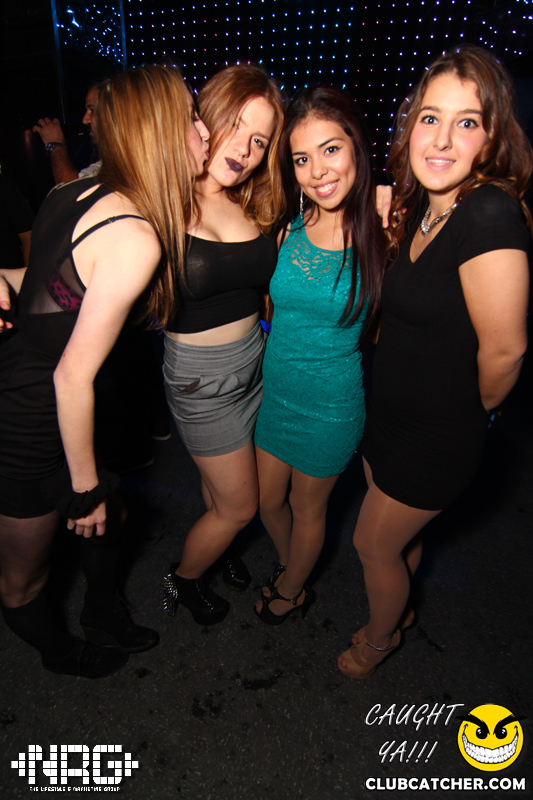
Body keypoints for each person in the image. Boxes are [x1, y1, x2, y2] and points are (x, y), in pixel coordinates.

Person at [0, 65, 210, 677]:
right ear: (159, 131)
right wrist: (84, 490)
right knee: (22, 581)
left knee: (110, 519)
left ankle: (101, 609)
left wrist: (3, 279)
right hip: (31, 422)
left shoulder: (71, 194)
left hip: (45, 398)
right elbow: (71, 377)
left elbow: (49, 286)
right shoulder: (134, 235)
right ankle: (64, 655)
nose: (204, 130)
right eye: (191, 118)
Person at [338, 45, 531, 678]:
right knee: (398, 539)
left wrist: (470, 414)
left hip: (438, 435)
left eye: (467, 122)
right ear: (410, 125)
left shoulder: (489, 212)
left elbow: (506, 350)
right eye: (430, 118)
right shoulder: (426, 205)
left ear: (491, 137)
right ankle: (399, 613)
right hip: (389, 416)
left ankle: (379, 640)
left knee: (371, 543)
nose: (443, 139)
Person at [252, 86, 386, 623]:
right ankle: (293, 565)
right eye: (301, 158)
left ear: (356, 147)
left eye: (331, 149)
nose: (317, 170)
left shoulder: (386, 234)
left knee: (307, 509)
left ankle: (291, 591)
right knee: (266, 502)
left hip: (331, 407)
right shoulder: (286, 229)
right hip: (277, 395)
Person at [162, 64, 285, 624]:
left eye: (259, 140)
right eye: (236, 126)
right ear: (204, 118)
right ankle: (184, 578)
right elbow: (88, 259)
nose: (244, 149)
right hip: (201, 378)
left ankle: (219, 548)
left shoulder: (253, 202)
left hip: (254, 364)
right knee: (241, 505)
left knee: (222, 486)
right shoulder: (162, 198)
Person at [33, 84, 100, 184]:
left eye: (92, 110)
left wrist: (56, 146)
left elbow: (74, 190)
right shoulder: (106, 164)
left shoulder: (121, 161)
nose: (84, 120)